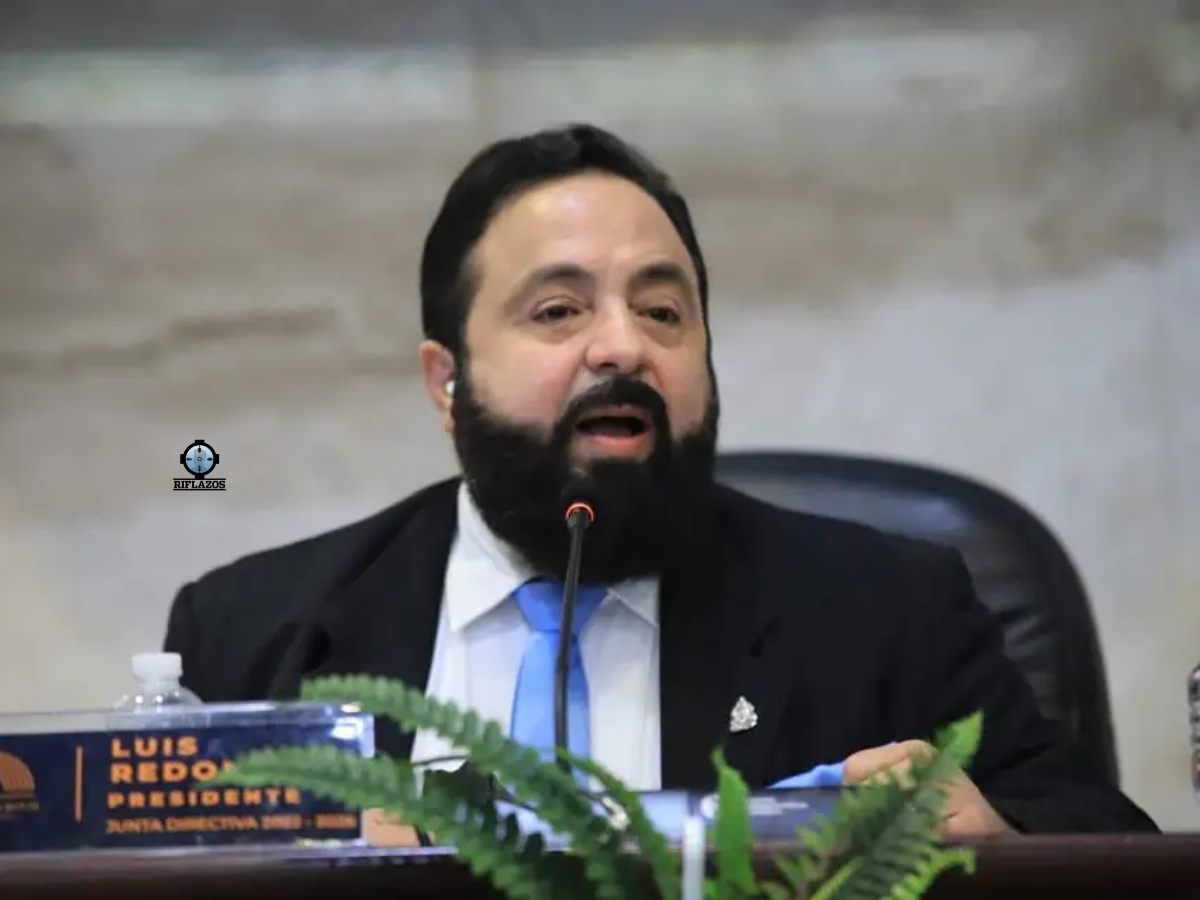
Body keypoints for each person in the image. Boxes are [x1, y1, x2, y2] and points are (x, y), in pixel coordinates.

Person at [163, 123, 1157, 836]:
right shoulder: (249, 634)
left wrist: (995, 847)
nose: (623, 347)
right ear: (446, 381)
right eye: (558, 311)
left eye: (663, 312)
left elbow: (1109, 850)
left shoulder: (892, 613)